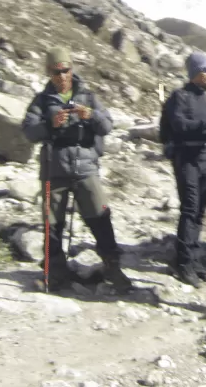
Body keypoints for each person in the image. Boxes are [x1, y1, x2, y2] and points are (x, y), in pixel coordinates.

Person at [21, 47, 133, 294]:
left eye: (65, 70)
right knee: (52, 224)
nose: (61, 76)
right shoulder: (41, 100)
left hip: (85, 167)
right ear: (48, 72)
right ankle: (54, 272)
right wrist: (50, 124)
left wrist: (90, 116)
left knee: (100, 217)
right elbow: (28, 131)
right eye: (56, 72)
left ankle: (113, 268)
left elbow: (107, 126)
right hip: (54, 167)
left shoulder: (89, 96)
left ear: (72, 69)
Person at [164, 52, 206, 287]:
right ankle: (183, 263)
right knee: (190, 209)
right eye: (205, 71)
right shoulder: (180, 97)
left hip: (205, 159)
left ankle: (194, 258)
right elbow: (179, 125)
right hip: (186, 158)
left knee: (200, 211)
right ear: (194, 73)